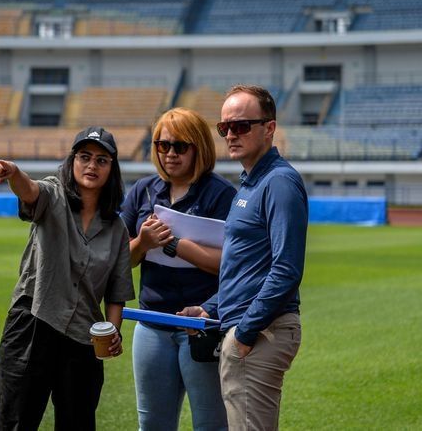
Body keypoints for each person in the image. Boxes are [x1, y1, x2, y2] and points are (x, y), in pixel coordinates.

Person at [179, 85, 308, 431]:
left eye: (242, 126)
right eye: (225, 128)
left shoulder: (279, 182)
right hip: (248, 329)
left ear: (269, 128)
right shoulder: (250, 183)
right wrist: (212, 307)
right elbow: (246, 269)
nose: (231, 134)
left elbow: (286, 268)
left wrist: (245, 333)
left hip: (262, 332)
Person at [0, 126, 135, 431]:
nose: (92, 166)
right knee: (15, 420)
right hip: (33, 322)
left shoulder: (117, 228)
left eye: (101, 160)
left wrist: (113, 333)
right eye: (84, 157)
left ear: (112, 169)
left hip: (84, 337)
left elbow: (117, 291)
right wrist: (13, 171)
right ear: (72, 161)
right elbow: (29, 190)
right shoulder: (53, 193)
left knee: (78, 423)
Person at [119, 108, 235, 431]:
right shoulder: (142, 190)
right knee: (153, 424)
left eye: (180, 146)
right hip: (152, 322)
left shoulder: (222, 194)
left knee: (211, 424)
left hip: (203, 325)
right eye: (162, 145)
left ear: (198, 148)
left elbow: (231, 264)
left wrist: (174, 244)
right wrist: (142, 242)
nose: (170, 153)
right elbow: (119, 262)